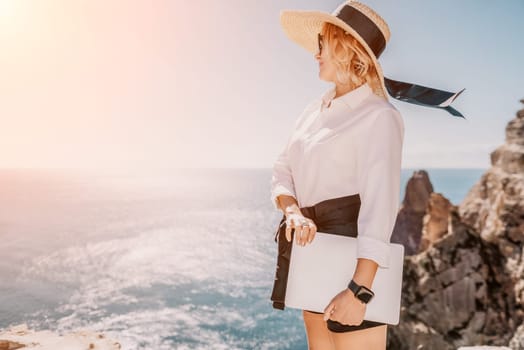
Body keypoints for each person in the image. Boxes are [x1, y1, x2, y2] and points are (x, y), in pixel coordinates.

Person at [269, 1, 465, 349]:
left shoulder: (380, 116)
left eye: (322, 44)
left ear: (347, 48)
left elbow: (380, 208)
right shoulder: (313, 111)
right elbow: (283, 167)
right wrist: (292, 211)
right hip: (312, 256)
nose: (315, 54)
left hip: (354, 270)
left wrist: (360, 292)